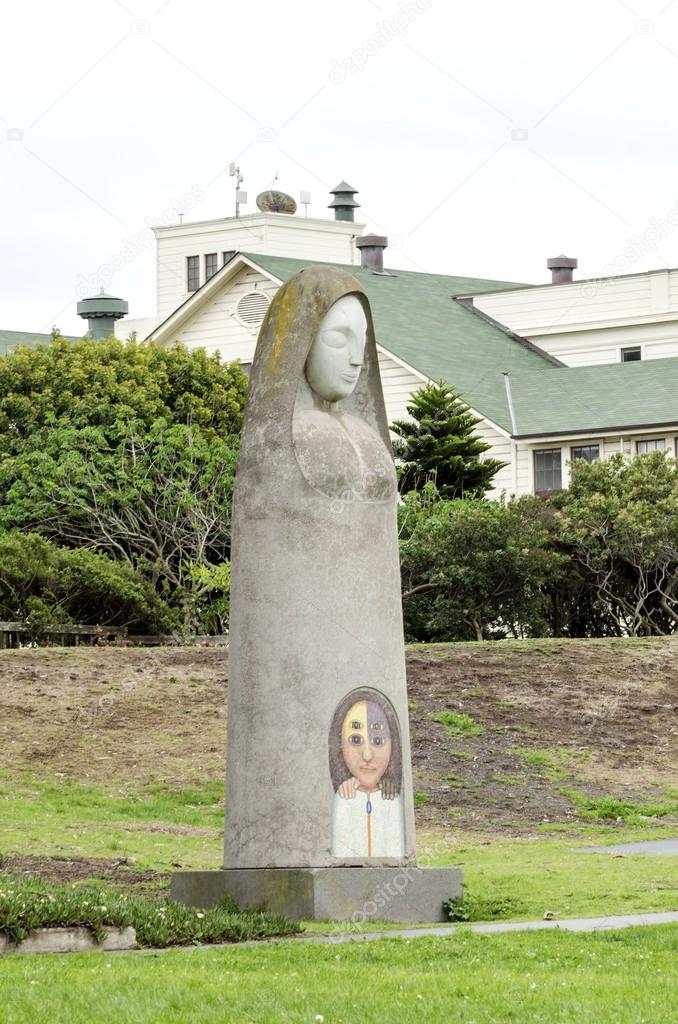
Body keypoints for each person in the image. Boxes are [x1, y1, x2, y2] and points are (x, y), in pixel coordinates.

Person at [329, 689, 405, 858]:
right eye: (355, 740)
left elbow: (396, 855)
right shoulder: (344, 799)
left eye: (378, 741)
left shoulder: (391, 801)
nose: (367, 755)